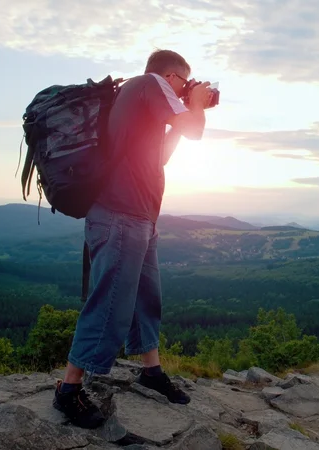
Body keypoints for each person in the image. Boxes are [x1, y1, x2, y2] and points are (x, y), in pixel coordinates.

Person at [52, 49, 214, 429]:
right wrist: (195, 105)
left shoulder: (143, 101)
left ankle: (151, 371)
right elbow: (196, 130)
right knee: (110, 304)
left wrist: (184, 114)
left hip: (139, 217)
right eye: (185, 83)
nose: (185, 90)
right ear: (172, 77)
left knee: (146, 299)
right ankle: (68, 390)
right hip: (120, 215)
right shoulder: (150, 84)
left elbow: (160, 157)